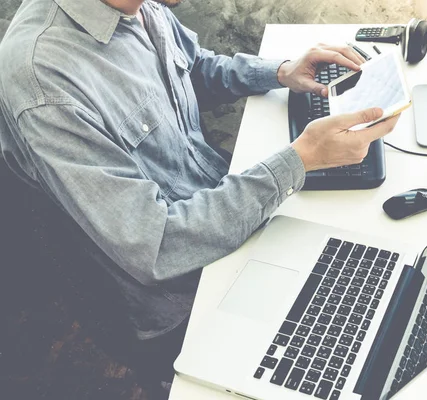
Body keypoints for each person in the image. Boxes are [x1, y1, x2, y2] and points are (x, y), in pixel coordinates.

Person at [0, 0, 399, 382]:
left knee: (370, 272)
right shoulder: (43, 82)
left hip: (229, 214)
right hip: (182, 299)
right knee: (346, 346)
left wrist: (281, 72)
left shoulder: (141, 6)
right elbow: (156, 247)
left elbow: (191, 68)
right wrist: (298, 161)